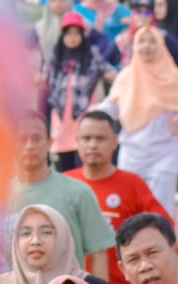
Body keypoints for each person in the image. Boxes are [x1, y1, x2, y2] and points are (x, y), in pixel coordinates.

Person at [65, 111, 171, 284]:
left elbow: (162, 227)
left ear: (114, 141)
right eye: (86, 138)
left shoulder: (132, 184)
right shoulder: (65, 184)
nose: (92, 145)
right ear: (77, 141)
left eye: (100, 138)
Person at [99, 26, 178, 215]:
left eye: (152, 41)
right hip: (132, 152)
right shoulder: (126, 76)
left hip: (165, 152)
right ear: (135, 46)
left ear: (161, 45)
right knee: (129, 207)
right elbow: (112, 107)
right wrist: (93, 115)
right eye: (141, 41)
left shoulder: (173, 76)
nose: (146, 46)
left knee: (160, 209)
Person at [12, 112, 117, 281]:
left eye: (36, 138)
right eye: (22, 140)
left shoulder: (78, 192)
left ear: (49, 142)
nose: (29, 146)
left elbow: (98, 254)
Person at [44, 12, 116, 171]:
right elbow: (45, 82)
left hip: (83, 116)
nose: (72, 37)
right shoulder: (55, 57)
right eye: (69, 33)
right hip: (61, 119)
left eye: (77, 33)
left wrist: (109, 76)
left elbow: (110, 72)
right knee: (63, 165)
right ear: (62, 35)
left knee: (83, 160)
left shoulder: (91, 55)